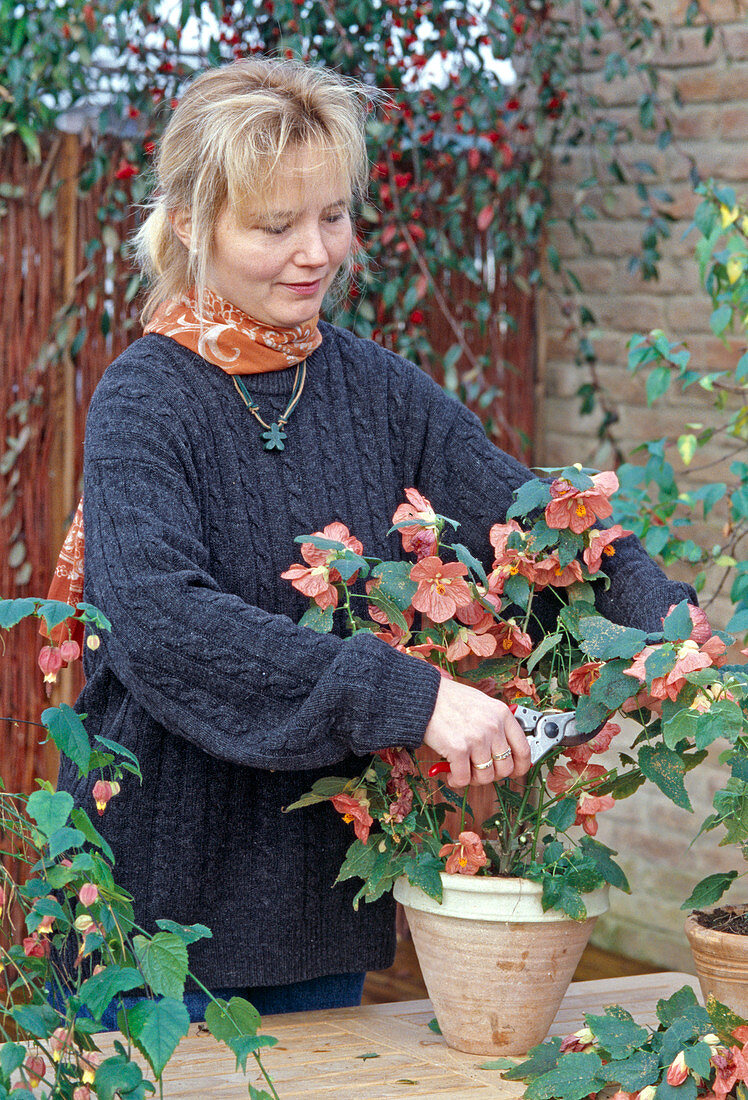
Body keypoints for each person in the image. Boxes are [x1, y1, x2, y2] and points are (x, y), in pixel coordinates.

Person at [52, 58, 695, 1025]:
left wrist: (668, 625)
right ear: (188, 223)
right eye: (274, 225)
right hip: (150, 916)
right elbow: (160, 621)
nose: (315, 252)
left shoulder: (377, 390)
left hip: (316, 907)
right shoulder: (145, 398)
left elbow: (531, 517)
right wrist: (412, 695)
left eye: (333, 216)